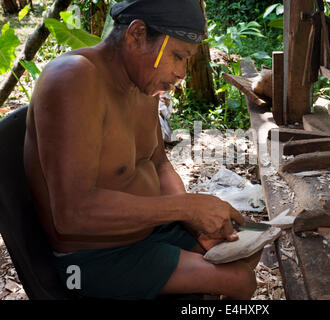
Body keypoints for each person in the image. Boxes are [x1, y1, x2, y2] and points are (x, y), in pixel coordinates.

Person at [24, 0, 259, 300]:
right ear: (136, 35)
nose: (182, 73)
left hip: (150, 231)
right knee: (240, 281)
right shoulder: (73, 79)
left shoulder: (142, 82)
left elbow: (158, 163)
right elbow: (72, 213)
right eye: (177, 56)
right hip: (93, 261)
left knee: (246, 247)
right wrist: (186, 207)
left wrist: (194, 222)